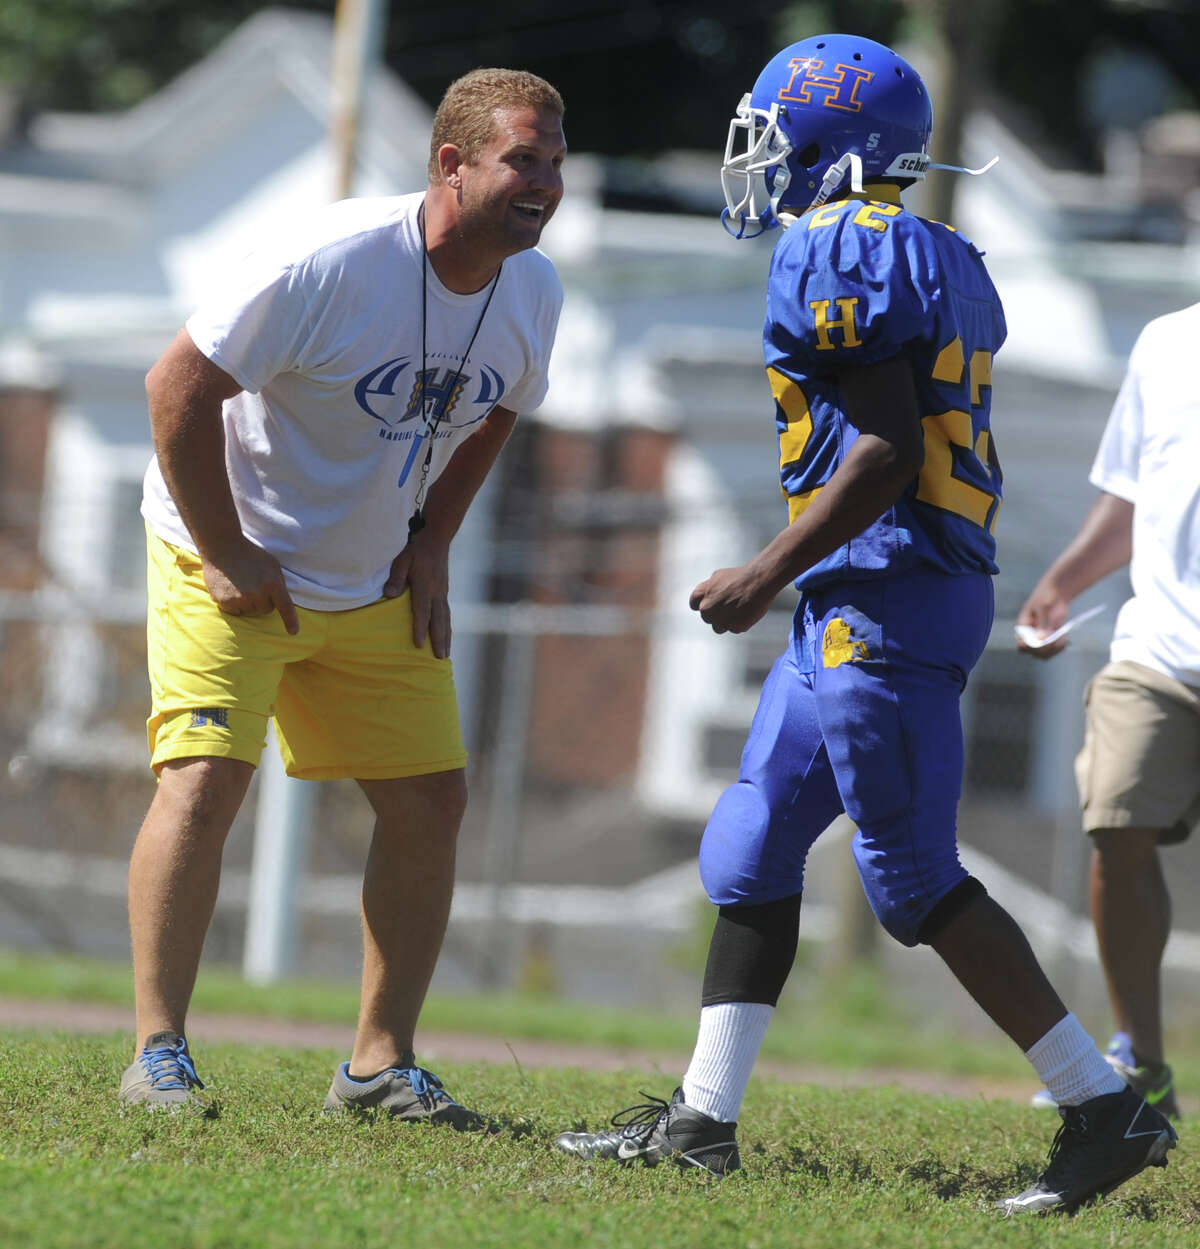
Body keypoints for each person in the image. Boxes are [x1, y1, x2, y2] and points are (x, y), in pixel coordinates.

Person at [552, 33, 1177, 1213]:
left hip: (885, 584)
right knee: (750, 841)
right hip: (870, 586)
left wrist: (761, 569)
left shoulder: (840, 242)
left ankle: (1103, 1109)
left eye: (777, 133)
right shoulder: (931, 243)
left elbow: (885, 450)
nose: (761, 156)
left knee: (909, 875)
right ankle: (702, 1118)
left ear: (839, 148)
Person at [118, 68, 567, 1124]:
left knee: (430, 801)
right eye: (523, 159)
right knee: (203, 783)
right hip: (227, 556)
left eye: (555, 159)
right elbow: (175, 387)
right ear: (451, 165)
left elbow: (499, 407)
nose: (546, 180)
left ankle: (377, 1066)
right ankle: (158, 1052)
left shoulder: (533, 289)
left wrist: (435, 542)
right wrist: (225, 549)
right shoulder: (331, 260)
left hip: (370, 576)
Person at [1017, 302, 1200, 1122]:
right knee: (1115, 825)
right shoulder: (1164, 341)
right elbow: (1131, 492)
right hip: (1157, 647)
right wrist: (1061, 583)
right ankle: (1141, 1063)